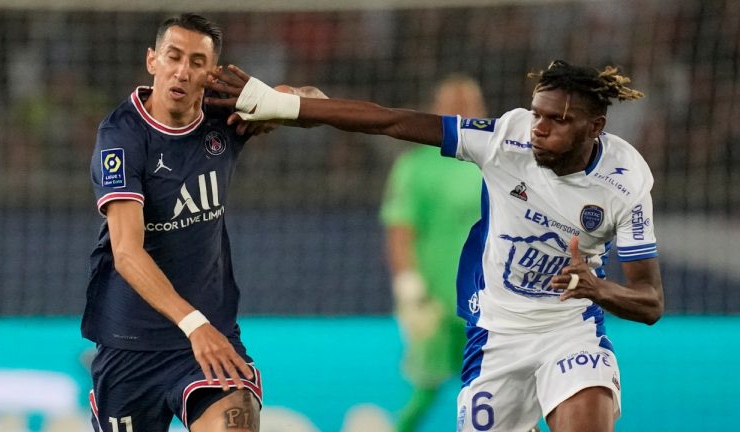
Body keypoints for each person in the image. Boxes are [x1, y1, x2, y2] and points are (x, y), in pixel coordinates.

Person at [205, 60, 664, 431]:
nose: (539, 128)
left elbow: (650, 302)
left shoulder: (625, 182)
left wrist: (599, 289)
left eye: (557, 120)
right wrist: (280, 106)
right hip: (496, 333)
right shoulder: (507, 140)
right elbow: (391, 120)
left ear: (595, 126)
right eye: (538, 114)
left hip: (569, 329)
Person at [82, 13, 324, 432]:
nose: (182, 71)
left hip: (211, 336)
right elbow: (125, 252)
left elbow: (315, 101)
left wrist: (273, 102)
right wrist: (194, 325)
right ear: (152, 61)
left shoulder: (224, 114)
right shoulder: (121, 137)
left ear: (210, 73)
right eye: (173, 57)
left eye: (197, 62)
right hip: (131, 343)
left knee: (238, 422)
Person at [380, 74, 487, 432]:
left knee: (502, 388)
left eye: (467, 104)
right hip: (437, 302)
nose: (460, 111)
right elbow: (400, 230)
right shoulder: (416, 166)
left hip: (491, 302)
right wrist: (409, 289)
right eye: (452, 104)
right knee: (425, 389)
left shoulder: (496, 162)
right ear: (436, 110)